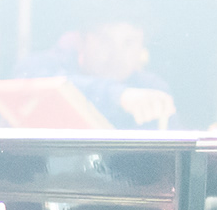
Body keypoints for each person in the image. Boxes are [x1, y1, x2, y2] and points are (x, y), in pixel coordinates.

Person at [13, 14, 177, 128]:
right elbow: (39, 85)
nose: (116, 55)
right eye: (105, 40)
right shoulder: (44, 68)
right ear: (81, 41)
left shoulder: (153, 90)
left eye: (129, 42)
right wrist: (118, 94)